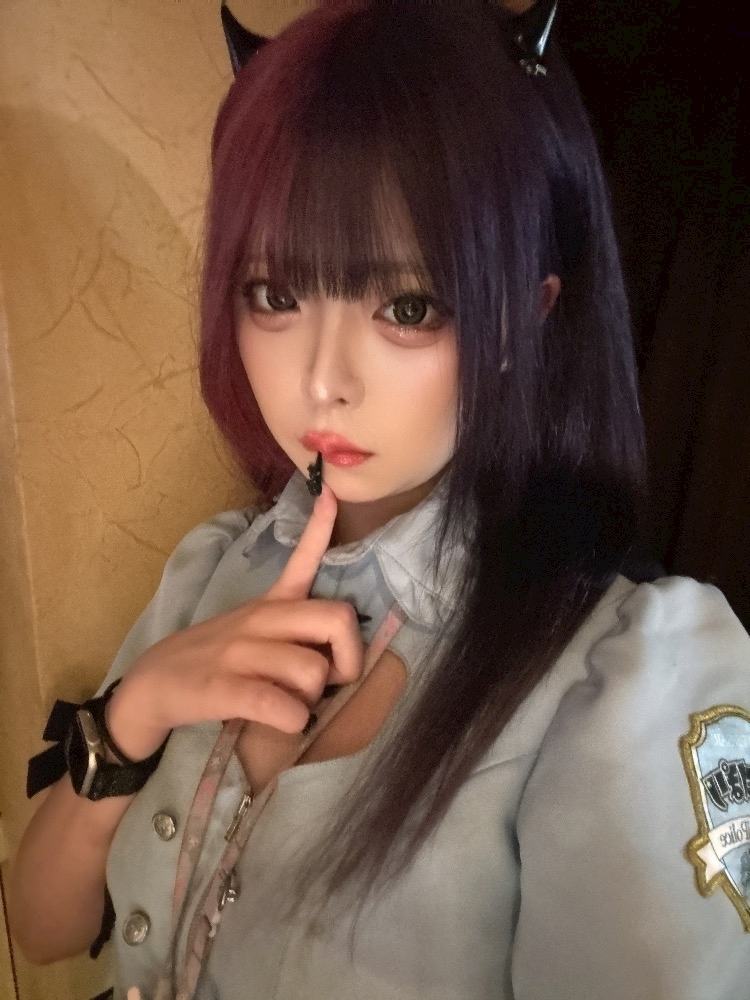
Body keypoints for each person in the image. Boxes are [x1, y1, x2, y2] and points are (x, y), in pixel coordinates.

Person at [9, 2, 750, 998]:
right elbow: (42, 925)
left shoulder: (622, 678)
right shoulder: (212, 569)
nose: (322, 381)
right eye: (275, 295)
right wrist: (134, 711)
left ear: (524, 316)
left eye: (407, 307)